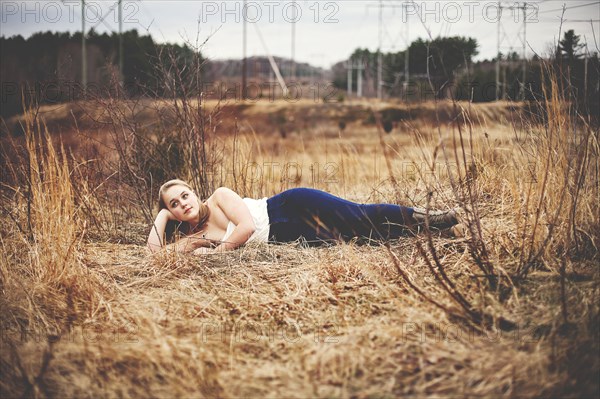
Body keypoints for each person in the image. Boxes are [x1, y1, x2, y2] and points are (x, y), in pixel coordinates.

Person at [147, 179, 460, 254]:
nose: (182, 204)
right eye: (174, 204)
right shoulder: (190, 238)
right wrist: (160, 217)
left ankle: (432, 218)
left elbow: (246, 227)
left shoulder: (220, 196)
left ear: (194, 191)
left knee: (358, 216)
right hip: (286, 235)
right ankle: (427, 234)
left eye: (184, 195)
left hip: (289, 207)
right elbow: (154, 257)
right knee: (361, 238)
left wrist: (217, 253)